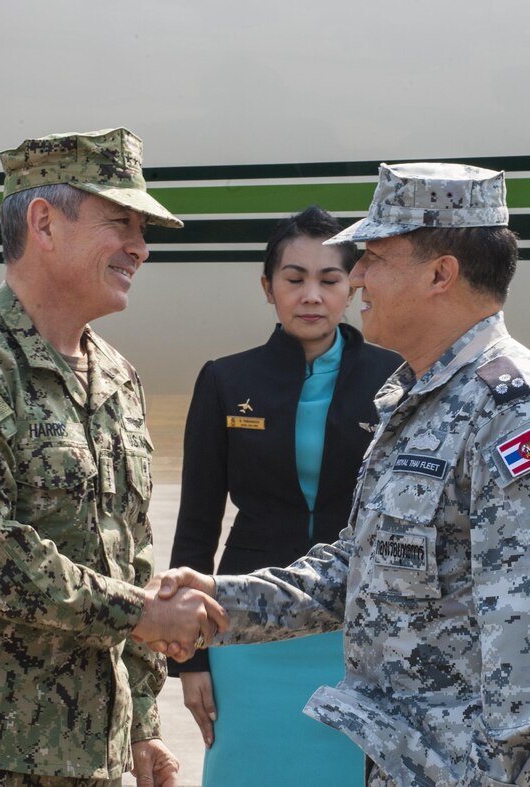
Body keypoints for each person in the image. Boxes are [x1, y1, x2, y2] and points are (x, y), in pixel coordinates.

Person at [161, 162, 530, 786]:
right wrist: (216, 599)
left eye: (374, 257)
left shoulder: (519, 413)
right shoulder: (419, 399)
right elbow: (356, 569)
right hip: (412, 761)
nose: (358, 276)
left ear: (440, 273)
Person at [0, 128, 228, 787]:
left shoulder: (118, 381)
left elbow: (128, 554)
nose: (140, 248)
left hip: (91, 761)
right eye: (119, 223)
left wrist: (142, 724)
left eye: (143, 229)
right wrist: (143, 612)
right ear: (44, 222)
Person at [167, 205, 401, 784]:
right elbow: (197, 522)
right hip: (244, 626)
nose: (311, 296)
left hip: (358, 630)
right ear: (268, 287)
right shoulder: (226, 380)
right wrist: (193, 657)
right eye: (294, 279)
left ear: (354, 286)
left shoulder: (397, 378)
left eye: (330, 279)